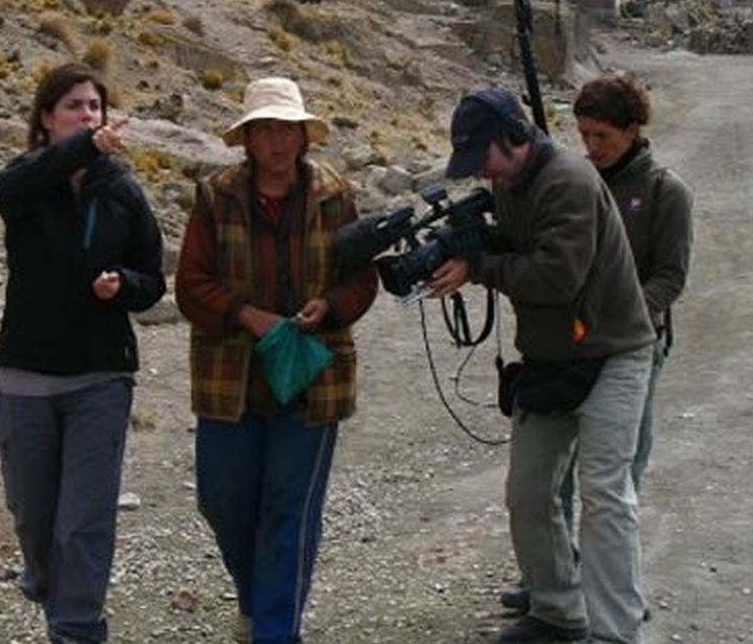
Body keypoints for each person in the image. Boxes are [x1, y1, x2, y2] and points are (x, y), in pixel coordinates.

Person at [430, 88, 654, 644]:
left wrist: (480, 265)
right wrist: (465, 247)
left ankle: (615, 632)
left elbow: (558, 277)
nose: (481, 171)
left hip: (614, 352)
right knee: (528, 491)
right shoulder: (509, 182)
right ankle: (557, 611)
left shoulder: (569, 182)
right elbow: (518, 245)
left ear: (514, 137)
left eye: (485, 155)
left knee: (604, 497)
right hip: (552, 358)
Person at [175, 76, 378, 644]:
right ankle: (256, 601)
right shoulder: (217, 197)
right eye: (265, 129)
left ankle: (274, 630)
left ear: (302, 135)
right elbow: (191, 287)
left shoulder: (335, 196)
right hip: (230, 383)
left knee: (291, 513)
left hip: (313, 382)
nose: (276, 142)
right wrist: (247, 315)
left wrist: (330, 306)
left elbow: (363, 278)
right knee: (223, 503)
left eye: (286, 128)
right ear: (247, 138)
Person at [0, 62, 166, 644]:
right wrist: (78, 150)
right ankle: (49, 587)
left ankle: (76, 629)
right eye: (74, 106)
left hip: (100, 378)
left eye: (95, 107)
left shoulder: (120, 191)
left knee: (82, 524)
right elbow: (8, 191)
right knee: (35, 523)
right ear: (45, 119)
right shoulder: (24, 183)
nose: (88, 116)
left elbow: (152, 280)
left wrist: (126, 287)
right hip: (24, 378)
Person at [573, 73, 693, 490]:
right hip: (571, 342)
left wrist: (622, 313)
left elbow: (670, 277)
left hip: (636, 342)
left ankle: (610, 554)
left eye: (602, 135)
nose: (592, 147)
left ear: (631, 130)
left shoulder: (665, 191)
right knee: (564, 467)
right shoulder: (575, 183)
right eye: (584, 134)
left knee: (622, 466)